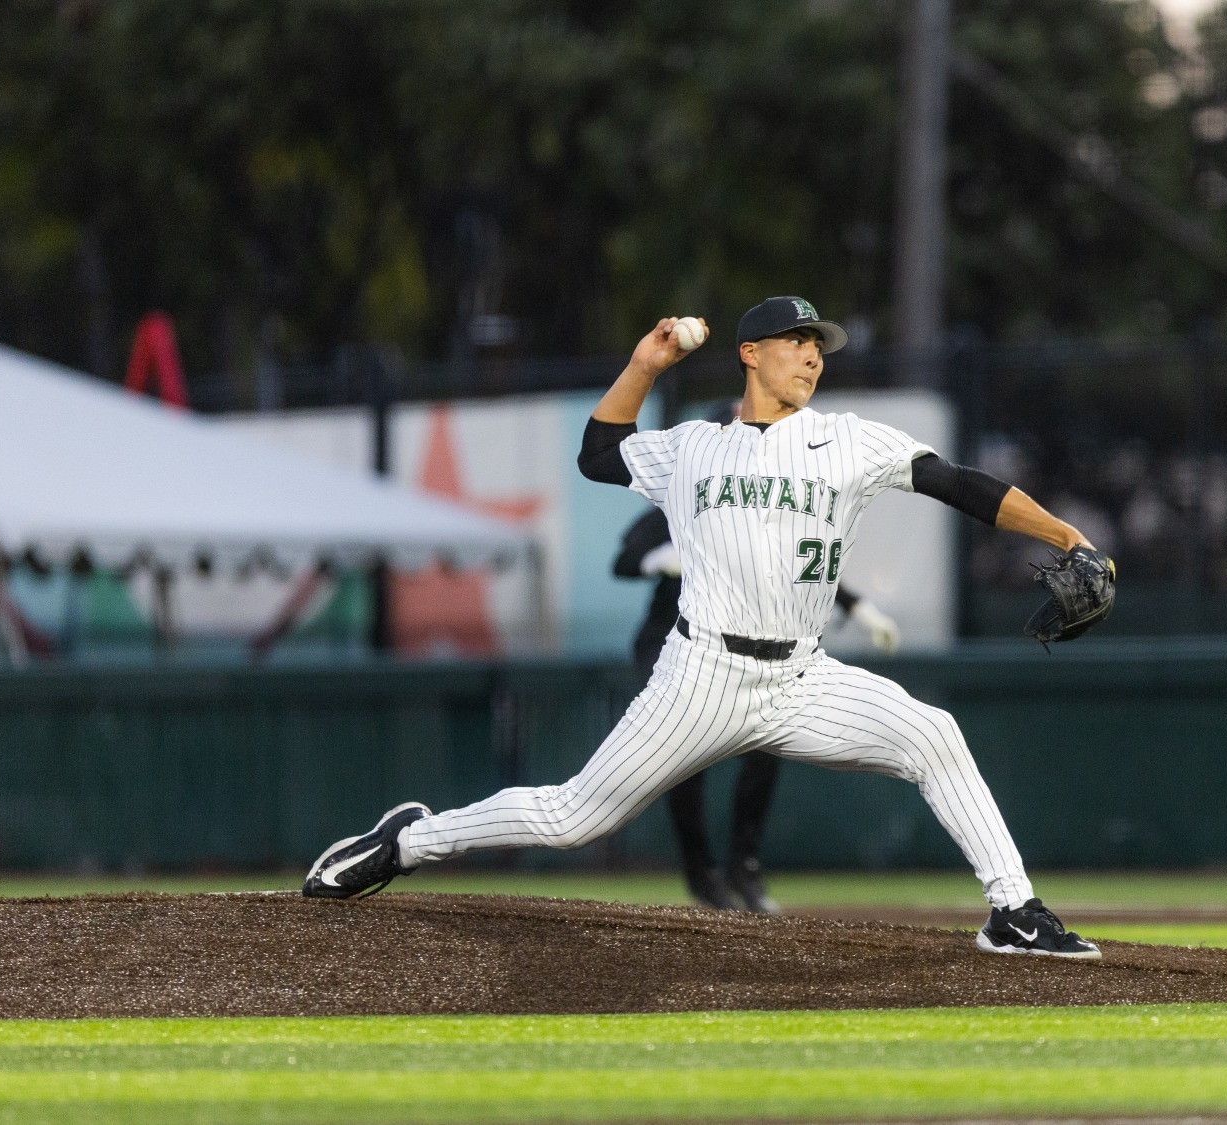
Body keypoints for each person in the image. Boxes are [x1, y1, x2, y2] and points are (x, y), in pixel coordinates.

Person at [303, 296, 1109, 958]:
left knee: (933, 734)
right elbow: (597, 455)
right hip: (702, 674)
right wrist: (645, 365)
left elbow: (960, 483)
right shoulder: (691, 447)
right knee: (575, 816)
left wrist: (1066, 537)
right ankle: (408, 842)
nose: (812, 355)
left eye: (819, 345)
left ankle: (1013, 910)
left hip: (803, 676)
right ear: (750, 354)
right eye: (796, 342)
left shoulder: (851, 440)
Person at [615, 495, 901, 912]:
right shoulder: (677, 500)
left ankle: (742, 868)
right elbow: (623, 562)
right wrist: (656, 561)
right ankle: (702, 874)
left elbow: (797, 568)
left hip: (738, 648)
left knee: (764, 748)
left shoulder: (757, 508)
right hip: (670, 642)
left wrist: (858, 607)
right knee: (679, 761)